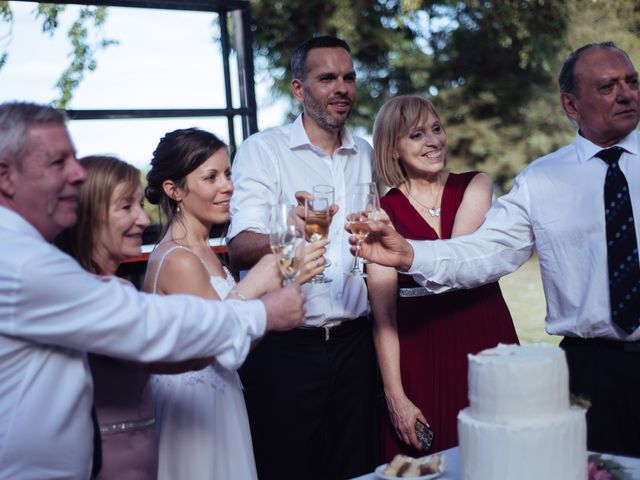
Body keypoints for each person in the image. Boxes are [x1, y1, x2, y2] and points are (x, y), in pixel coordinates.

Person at [347, 42, 640, 457]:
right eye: (608, 87)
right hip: (591, 370)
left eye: (631, 82)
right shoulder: (541, 182)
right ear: (570, 105)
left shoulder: (473, 185)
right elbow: (482, 254)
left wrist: (408, 255)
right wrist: (409, 255)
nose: (626, 93)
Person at [0, 100, 305, 479]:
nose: (78, 174)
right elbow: (147, 325)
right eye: (58, 162)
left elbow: (172, 353)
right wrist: (264, 307)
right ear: (6, 175)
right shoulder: (23, 263)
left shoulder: (27, 255)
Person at [228, 36, 378, 479]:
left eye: (348, 77)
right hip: (286, 352)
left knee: (358, 469)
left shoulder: (365, 153)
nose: (342, 88)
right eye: (327, 78)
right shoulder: (264, 150)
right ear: (298, 89)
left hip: (356, 346)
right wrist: (288, 228)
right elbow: (240, 247)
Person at [142, 128, 321, 479]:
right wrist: (266, 288)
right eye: (211, 177)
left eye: (227, 174)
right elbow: (223, 342)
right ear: (174, 190)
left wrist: (285, 280)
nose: (228, 187)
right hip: (195, 415)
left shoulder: (206, 251)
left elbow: (244, 339)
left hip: (223, 399)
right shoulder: (178, 259)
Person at [368, 95, 518, 459]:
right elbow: (383, 315)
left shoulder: (474, 185)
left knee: (502, 455)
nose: (434, 141)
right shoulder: (380, 213)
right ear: (393, 150)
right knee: (430, 463)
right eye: (417, 135)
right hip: (420, 352)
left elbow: (458, 259)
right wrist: (396, 395)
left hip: (484, 336)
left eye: (436, 129)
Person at [56, 155, 158, 479]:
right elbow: (176, 354)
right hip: (114, 461)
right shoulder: (106, 293)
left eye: (140, 205)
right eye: (126, 207)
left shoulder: (70, 287)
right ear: (87, 215)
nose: (142, 220)